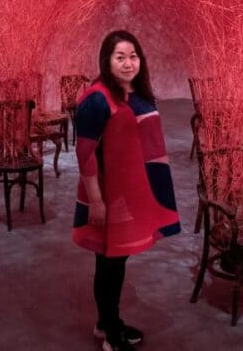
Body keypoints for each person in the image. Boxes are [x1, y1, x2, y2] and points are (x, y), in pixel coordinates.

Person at [72, 30, 181, 351]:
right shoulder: (97, 99)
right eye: (119, 57)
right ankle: (109, 332)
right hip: (110, 197)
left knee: (116, 262)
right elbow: (86, 154)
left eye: (133, 56)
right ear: (107, 60)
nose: (127, 63)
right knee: (109, 262)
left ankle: (108, 323)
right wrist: (96, 200)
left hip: (134, 192)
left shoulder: (136, 93)